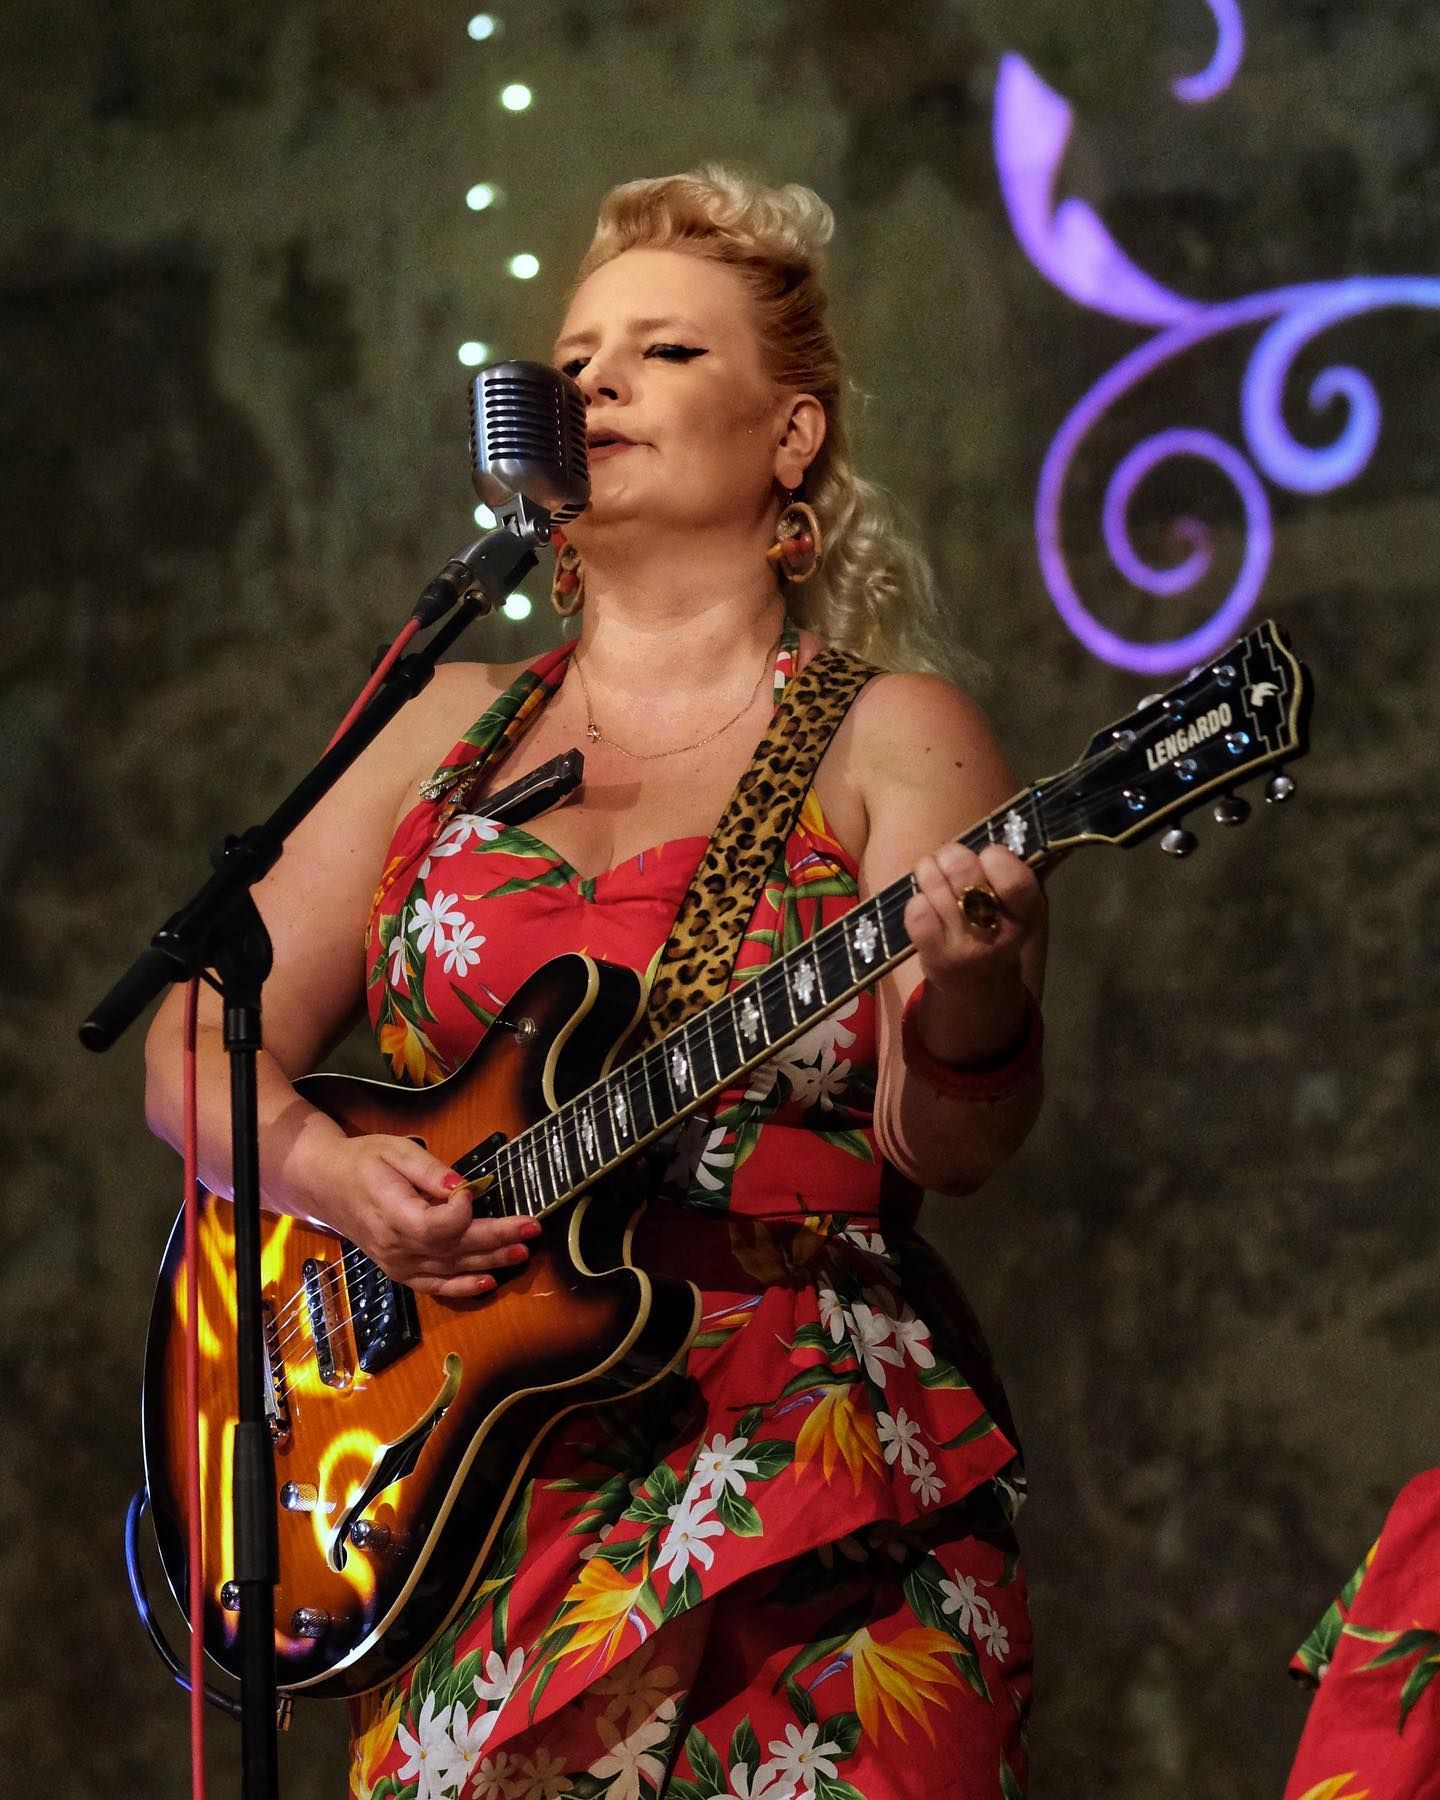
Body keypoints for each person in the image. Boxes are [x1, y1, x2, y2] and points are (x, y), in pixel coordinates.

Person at [145, 166, 1048, 1800]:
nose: (596, 383)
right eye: (573, 358)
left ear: (791, 440)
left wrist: (974, 985)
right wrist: (335, 1177)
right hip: (468, 1490)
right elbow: (193, 1043)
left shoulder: (890, 731)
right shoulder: (447, 723)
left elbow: (951, 1145)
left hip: (798, 1477)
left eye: (666, 352)